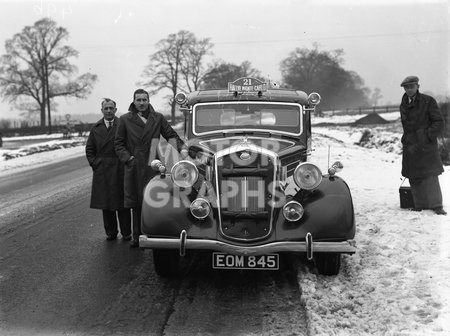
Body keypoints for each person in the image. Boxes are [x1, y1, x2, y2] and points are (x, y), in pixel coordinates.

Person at [115, 89, 186, 247]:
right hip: (133, 165)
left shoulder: (157, 118)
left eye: (144, 100)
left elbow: (171, 135)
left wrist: (183, 149)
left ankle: (154, 234)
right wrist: (129, 159)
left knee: (154, 198)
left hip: (153, 164)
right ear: (133, 101)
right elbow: (118, 143)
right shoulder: (125, 119)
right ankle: (137, 237)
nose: (141, 103)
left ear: (148, 101)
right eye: (138, 100)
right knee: (136, 202)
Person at [86, 98, 132, 240]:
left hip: (120, 168)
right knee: (106, 204)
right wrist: (96, 164)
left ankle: (126, 233)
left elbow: (129, 145)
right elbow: (89, 149)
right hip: (103, 170)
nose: (108, 111)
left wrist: (126, 162)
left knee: (122, 203)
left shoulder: (123, 124)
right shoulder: (96, 128)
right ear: (102, 110)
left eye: (111, 108)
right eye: (106, 108)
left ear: (115, 110)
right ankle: (111, 233)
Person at [399, 75, 446, 215]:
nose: (409, 90)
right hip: (410, 144)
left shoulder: (428, 101)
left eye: (411, 87)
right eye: (406, 87)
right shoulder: (403, 103)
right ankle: (419, 204)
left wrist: (426, 136)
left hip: (426, 145)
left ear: (417, 86)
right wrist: (407, 139)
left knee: (430, 175)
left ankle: (437, 206)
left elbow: (438, 122)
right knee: (414, 175)